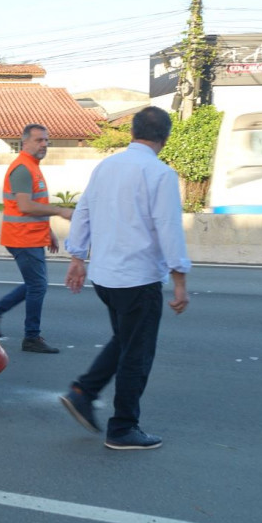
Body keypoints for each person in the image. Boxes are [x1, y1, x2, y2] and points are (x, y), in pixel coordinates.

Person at [59, 106, 191, 451]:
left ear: (132, 132)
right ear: (165, 138)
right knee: (137, 354)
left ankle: (83, 392)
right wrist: (180, 281)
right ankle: (122, 428)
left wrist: (77, 257)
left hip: (105, 277)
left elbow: (83, 211)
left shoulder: (106, 167)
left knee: (125, 340)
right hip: (138, 279)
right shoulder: (160, 174)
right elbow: (169, 229)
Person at [0, 123, 73, 353]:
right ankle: (31, 337)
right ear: (25, 142)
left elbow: (35, 205)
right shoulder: (22, 168)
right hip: (22, 237)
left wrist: (48, 231)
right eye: (39, 140)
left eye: (46, 140)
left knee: (35, 284)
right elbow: (25, 205)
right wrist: (60, 211)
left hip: (30, 236)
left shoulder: (32, 166)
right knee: (38, 285)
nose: (44, 144)